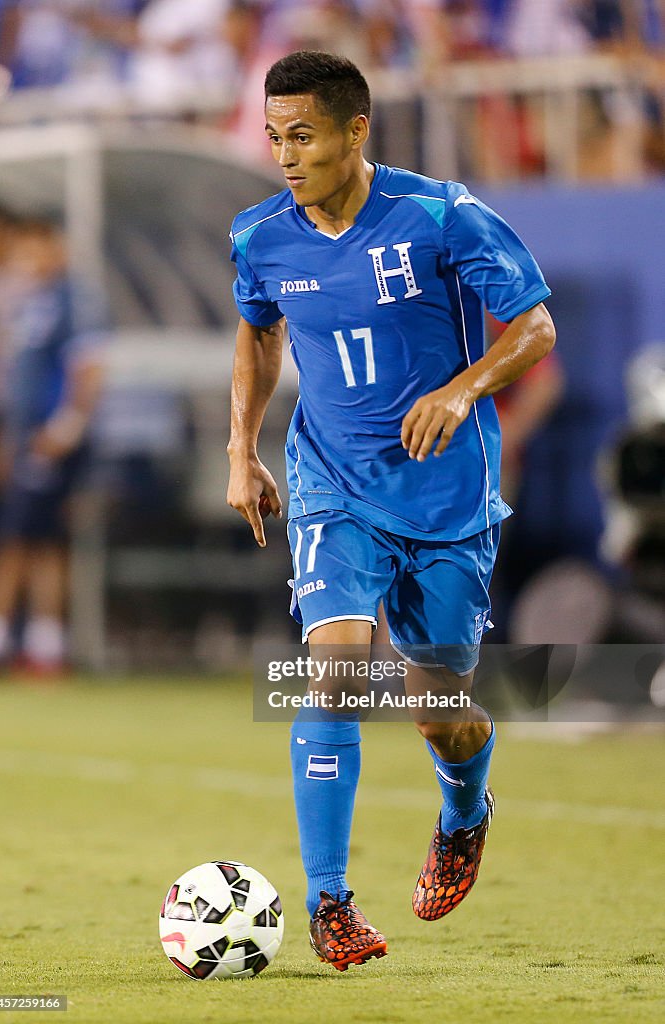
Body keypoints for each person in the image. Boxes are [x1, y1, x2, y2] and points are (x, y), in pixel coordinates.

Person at [226, 50, 556, 971]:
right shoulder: (261, 238)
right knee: (331, 668)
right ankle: (329, 901)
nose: (286, 157)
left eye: (304, 137)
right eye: (274, 138)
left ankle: (463, 807)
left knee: (437, 709)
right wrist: (240, 447)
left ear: (354, 130)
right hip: (332, 481)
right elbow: (256, 332)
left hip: (446, 491)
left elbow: (534, 327)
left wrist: (461, 389)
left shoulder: (440, 215)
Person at [0, 217, 105, 674]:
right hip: (20, 436)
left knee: (21, 540)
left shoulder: (74, 300)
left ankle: (9, 642)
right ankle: (40, 643)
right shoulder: (26, 302)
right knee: (30, 539)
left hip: (46, 440)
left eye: (34, 250)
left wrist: (64, 430)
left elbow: (89, 369)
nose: (26, 261)